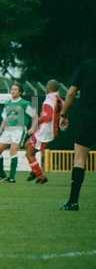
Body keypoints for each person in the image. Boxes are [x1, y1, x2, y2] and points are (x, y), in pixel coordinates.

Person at [60, 59, 96, 211]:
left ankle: (73, 202)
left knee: (80, 158)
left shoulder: (86, 65)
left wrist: (63, 113)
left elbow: (71, 93)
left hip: (87, 117)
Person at [0, 82, 38, 183]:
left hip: (19, 129)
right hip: (8, 130)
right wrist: (1, 128)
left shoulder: (25, 103)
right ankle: (2, 174)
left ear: (20, 92)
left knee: (13, 151)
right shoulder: (8, 103)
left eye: (15, 89)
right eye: (12, 89)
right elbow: (5, 118)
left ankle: (12, 177)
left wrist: (33, 128)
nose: (12, 91)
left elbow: (35, 116)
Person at [25, 80, 64, 184]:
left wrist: (37, 122)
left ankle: (40, 175)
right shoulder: (58, 98)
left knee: (29, 151)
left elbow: (48, 116)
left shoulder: (49, 99)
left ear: (49, 87)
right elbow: (63, 111)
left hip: (45, 131)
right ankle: (35, 170)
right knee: (32, 149)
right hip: (51, 130)